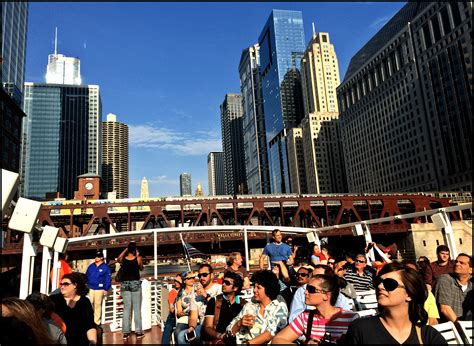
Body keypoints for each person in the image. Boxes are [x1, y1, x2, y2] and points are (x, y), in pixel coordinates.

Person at [345, 262, 447, 344]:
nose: (380, 286)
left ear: (409, 294)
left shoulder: (428, 336)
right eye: (378, 282)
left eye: (389, 284)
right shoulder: (361, 329)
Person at [273, 274, 358, 344]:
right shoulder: (305, 317)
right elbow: (277, 340)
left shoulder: (351, 319)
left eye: (311, 289)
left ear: (326, 296)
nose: (305, 292)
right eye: (306, 288)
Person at [227, 270, 288, 344]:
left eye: (258, 288)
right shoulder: (249, 306)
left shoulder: (279, 307)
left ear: (268, 289)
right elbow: (229, 330)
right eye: (254, 287)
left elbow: (271, 333)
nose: (254, 290)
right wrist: (239, 323)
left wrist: (248, 344)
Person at [50, 272, 98, 345]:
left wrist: (92, 342)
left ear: (75, 285)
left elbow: (90, 325)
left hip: (80, 341)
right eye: (61, 284)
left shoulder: (84, 302)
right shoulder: (53, 300)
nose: (62, 287)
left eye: (66, 284)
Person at [203, 271, 246, 345]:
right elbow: (208, 327)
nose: (223, 284)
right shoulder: (214, 301)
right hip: (218, 339)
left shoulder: (242, 304)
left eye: (227, 283)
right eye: (223, 282)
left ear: (235, 288)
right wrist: (220, 336)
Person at [433, 253, 472, 322]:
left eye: (462, 263)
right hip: (449, 327)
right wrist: (461, 328)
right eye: (456, 262)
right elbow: (445, 309)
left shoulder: (471, 286)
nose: (457, 264)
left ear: (471, 270)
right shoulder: (444, 280)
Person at [117, 241, 144, 340]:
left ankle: (125, 333)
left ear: (128, 250)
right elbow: (141, 268)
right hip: (135, 284)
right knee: (136, 309)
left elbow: (118, 258)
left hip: (124, 284)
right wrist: (137, 255)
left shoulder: (123, 259)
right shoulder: (138, 258)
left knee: (127, 309)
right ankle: (138, 332)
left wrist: (125, 249)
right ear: (135, 250)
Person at [403, 260, 440, 325]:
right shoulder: (394, 295)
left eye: (413, 272)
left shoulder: (427, 294)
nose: (409, 275)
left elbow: (433, 320)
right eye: (406, 272)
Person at [86, 251, 112, 326]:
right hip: (91, 288)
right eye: (95, 256)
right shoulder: (91, 266)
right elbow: (87, 275)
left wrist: (106, 288)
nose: (96, 258)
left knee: (97, 305)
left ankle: (96, 322)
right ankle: (90, 320)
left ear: (101, 258)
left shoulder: (105, 267)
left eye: (97, 256)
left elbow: (108, 278)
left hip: (100, 289)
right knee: (90, 304)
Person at [175, 271, 199, 344]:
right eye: (189, 278)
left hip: (197, 317)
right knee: (178, 332)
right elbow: (178, 312)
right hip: (185, 318)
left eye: (193, 278)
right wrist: (182, 313)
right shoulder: (180, 294)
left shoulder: (198, 289)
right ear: (184, 280)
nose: (192, 279)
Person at [161, 274, 183, 344]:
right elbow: (171, 309)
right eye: (175, 281)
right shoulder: (172, 293)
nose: (176, 282)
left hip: (184, 316)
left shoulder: (185, 292)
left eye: (178, 281)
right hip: (174, 316)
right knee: (168, 327)